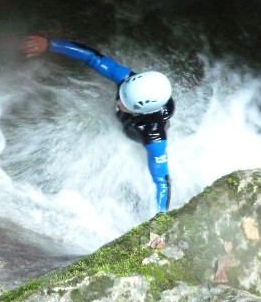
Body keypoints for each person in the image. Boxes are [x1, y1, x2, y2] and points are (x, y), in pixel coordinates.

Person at [20, 35, 174, 212]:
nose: (118, 102)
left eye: (125, 103)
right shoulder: (127, 80)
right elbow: (92, 57)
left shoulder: (153, 137)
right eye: (122, 95)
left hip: (134, 130)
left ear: (141, 110)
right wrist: (49, 44)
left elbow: (162, 182)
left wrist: (159, 226)